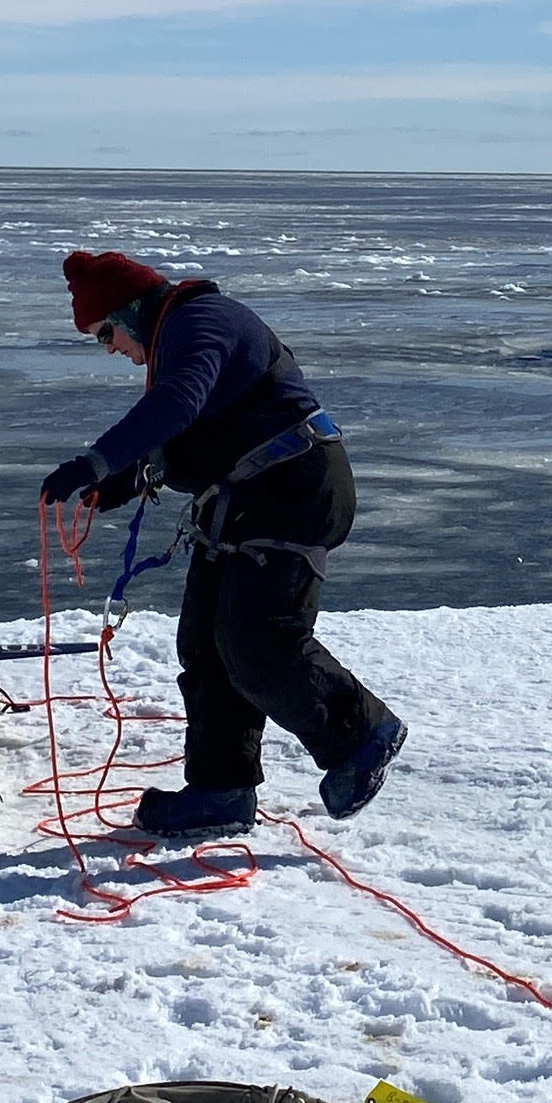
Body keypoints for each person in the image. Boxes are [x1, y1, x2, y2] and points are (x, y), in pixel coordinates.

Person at [42, 252, 407, 837]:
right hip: (242, 498)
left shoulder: (201, 322)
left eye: (105, 332)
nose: (109, 347)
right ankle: (221, 789)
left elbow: (178, 403)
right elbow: (204, 435)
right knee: (206, 644)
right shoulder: (177, 334)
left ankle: (362, 734)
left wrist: (96, 461)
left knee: (259, 642)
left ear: (131, 311)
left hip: (295, 490)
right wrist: (130, 479)